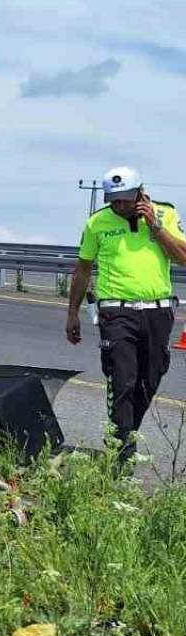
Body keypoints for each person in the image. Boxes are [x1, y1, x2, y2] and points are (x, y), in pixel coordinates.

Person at [66, 166, 186, 462]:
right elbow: (82, 270)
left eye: (125, 199)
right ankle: (121, 455)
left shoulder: (166, 214)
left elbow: (183, 258)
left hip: (157, 312)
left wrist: (156, 227)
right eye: (113, 200)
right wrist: (72, 314)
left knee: (150, 379)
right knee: (122, 381)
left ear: (141, 193)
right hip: (115, 311)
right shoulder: (97, 223)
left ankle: (127, 434)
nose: (119, 206)